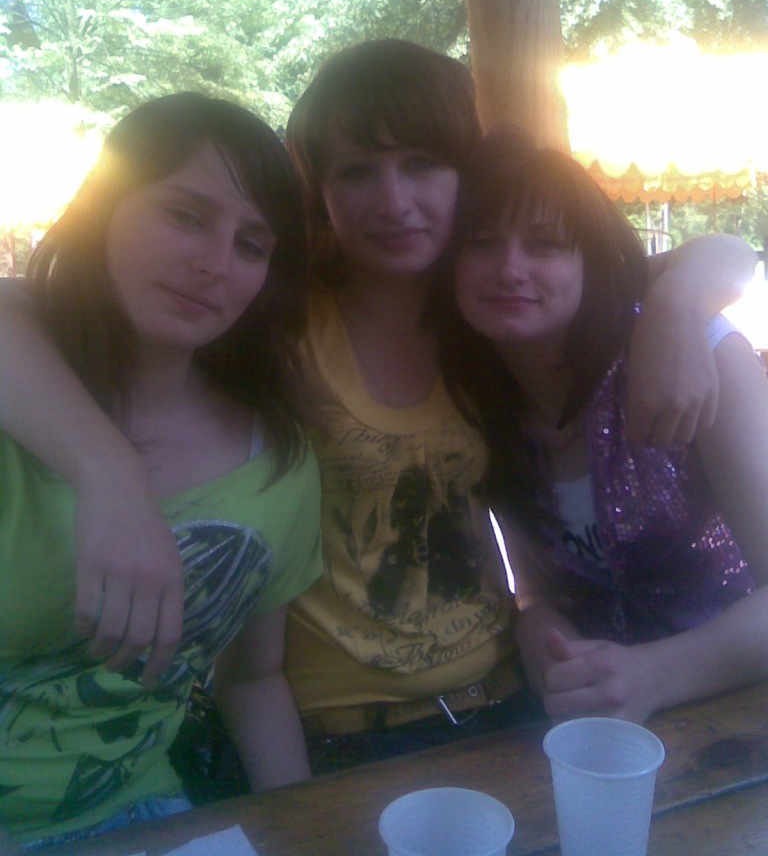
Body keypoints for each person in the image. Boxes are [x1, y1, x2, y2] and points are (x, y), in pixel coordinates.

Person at [0, 42, 757, 775]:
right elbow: (22, 309)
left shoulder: (490, 314)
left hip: (510, 701)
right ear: (320, 190)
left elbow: (680, 260)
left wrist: (678, 304)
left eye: (422, 164)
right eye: (356, 171)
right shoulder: (277, 312)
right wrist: (109, 473)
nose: (393, 202)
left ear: (466, 174)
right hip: (337, 736)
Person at [0, 93, 322, 848]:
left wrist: (308, 829)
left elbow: (254, 678)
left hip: (140, 813)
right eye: (185, 215)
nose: (214, 264)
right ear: (104, 208)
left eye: (251, 245)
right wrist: (109, 475)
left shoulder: (278, 466)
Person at [448, 125, 768, 725]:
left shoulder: (695, 353)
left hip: (741, 723)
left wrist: (653, 675)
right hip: (596, 734)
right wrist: (537, 623)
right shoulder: (478, 406)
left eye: (544, 245)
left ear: (589, 264)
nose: (509, 269)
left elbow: (733, 255)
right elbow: (538, 585)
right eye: (482, 244)